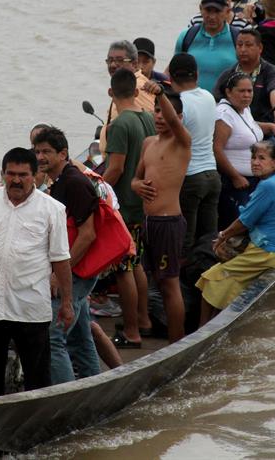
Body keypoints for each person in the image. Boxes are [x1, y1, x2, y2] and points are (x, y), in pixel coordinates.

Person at [0, 148, 74, 399]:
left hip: (29, 308)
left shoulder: (52, 209)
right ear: (2, 174)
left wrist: (67, 303)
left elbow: (61, 260)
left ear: (35, 175)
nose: (16, 180)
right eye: (11, 174)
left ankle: (37, 425)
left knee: (37, 379)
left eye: (23, 175)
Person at [196, 141, 275, 326]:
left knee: (211, 278)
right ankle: (209, 325)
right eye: (253, 158)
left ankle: (201, 330)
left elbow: (245, 221)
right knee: (224, 282)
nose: (255, 162)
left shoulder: (269, 186)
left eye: (262, 158)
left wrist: (223, 235)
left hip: (269, 253)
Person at [33, 127, 102, 384]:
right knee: (80, 337)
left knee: (53, 337)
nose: (40, 157)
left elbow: (88, 234)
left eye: (47, 152)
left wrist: (61, 274)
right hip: (76, 268)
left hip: (78, 270)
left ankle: (62, 396)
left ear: (63, 154)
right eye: (37, 151)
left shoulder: (74, 183)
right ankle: (93, 388)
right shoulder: (60, 181)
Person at [131, 81, 192, 342]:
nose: (158, 116)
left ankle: (175, 342)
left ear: (177, 117)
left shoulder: (182, 141)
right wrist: (137, 186)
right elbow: (135, 178)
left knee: (169, 284)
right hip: (148, 221)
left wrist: (160, 93)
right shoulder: (148, 143)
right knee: (150, 277)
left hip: (168, 222)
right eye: (155, 111)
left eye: (163, 112)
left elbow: (174, 121)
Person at [102, 68, 156, 348]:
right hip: (143, 204)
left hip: (124, 207)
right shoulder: (148, 118)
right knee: (137, 266)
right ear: (136, 93)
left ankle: (132, 332)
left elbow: (115, 169)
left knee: (124, 268)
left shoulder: (120, 125)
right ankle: (143, 320)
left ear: (111, 94)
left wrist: (95, 192)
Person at [213, 72, 275, 229]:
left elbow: (250, 127)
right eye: (242, 91)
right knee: (236, 228)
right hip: (235, 184)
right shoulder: (224, 115)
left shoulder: (244, 109)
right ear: (228, 92)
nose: (247, 95)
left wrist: (271, 126)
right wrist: (235, 177)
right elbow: (216, 149)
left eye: (250, 91)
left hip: (252, 181)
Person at [168, 54, 221, 259]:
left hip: (190, 177)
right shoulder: (208, 97)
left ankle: (180, 286)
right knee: (210, 238)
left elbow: (172, 140)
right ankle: (207, 278)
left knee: (185, 239)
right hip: (212, 175)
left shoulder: (179, 104)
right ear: (197, 75)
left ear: (171, 78)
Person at [212, 27, 275, 126]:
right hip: (234, 130)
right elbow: (215, 102)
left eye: (248, 45)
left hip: (266, 132)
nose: (243, 49)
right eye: (239, 45)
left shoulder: (272, 72)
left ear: (260, 48)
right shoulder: (227, 74)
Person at [174, 0, 239, 93]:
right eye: (208, 10)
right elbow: (173, 72)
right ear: (200, 9)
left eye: (217, 11)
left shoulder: (238, 38)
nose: (212, 17)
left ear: (227, 11)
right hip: (192, 103)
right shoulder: (186, 37)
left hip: (226, 105)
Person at [99, 40, 156, 155]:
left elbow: (149, 131)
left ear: (134, 64)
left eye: (120, 60)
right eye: (110, 60)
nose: (113, 65)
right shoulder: (124, 84)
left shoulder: (138, 86)